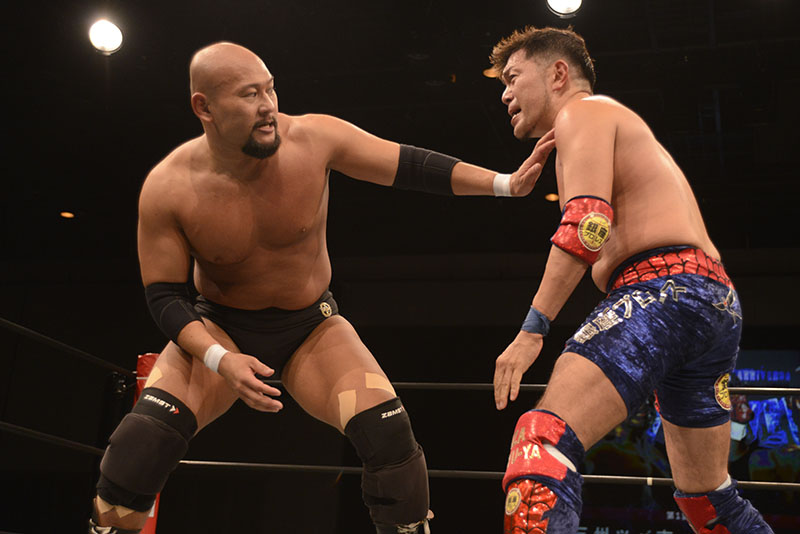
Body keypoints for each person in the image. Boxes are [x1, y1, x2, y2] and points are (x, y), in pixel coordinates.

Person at [88, 41, 555, 534]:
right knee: (138, 447)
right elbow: (164, 297)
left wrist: (504, 184)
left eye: (270, 89)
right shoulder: (169, 187)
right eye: (249, 94)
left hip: (311, 327)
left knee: (391, 441)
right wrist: (220, 359)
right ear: (204, 107)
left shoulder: (313, 139)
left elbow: (409, 165)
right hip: (220, 327)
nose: (268, 106)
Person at [489, 27, 774, 534]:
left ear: (558, 74)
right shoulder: (604, 121)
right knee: (708, 500)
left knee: (541, 442)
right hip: (712, 300)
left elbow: (587, 224)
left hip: (663, 289)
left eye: (513, 77)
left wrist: (533, 329)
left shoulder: (583, 112)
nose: (505, 93)